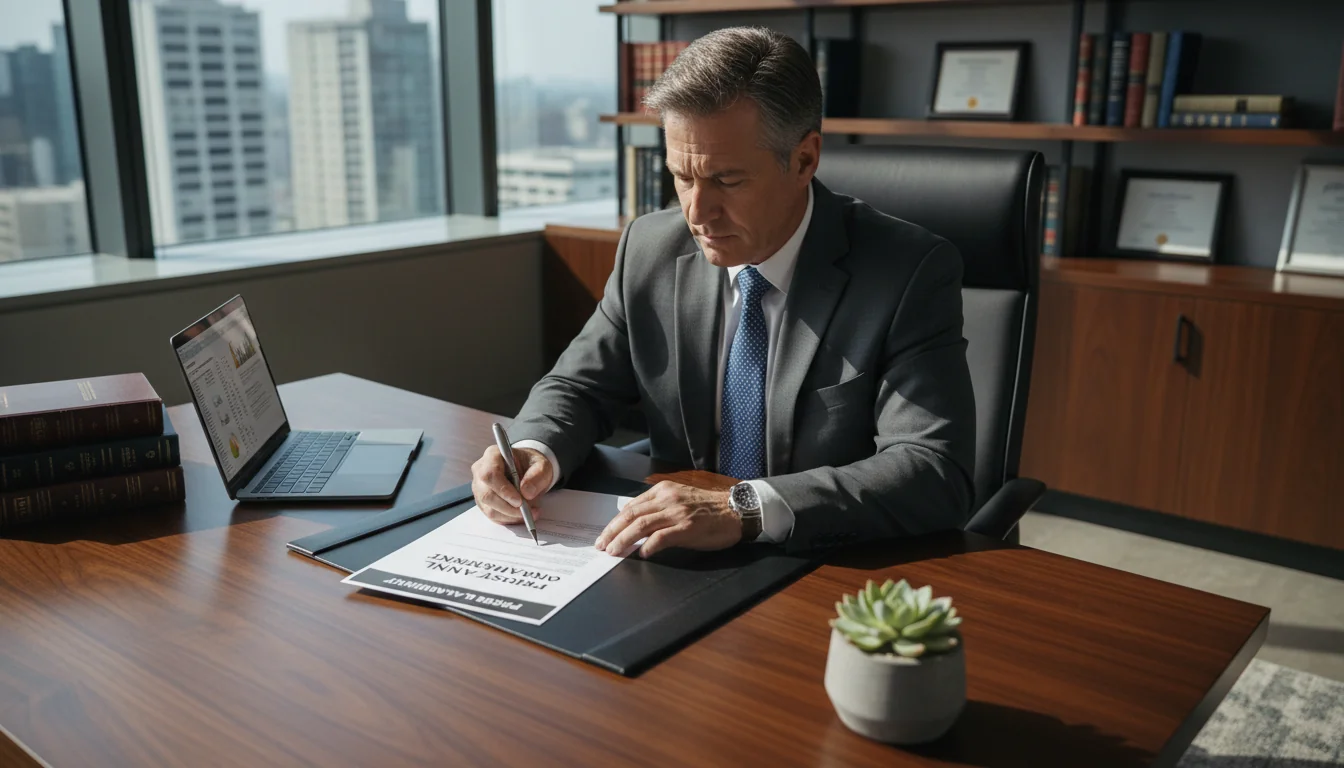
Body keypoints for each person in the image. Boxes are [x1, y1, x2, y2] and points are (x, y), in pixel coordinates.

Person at [471, 26, 975, 557]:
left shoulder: (908, 271)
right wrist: (533, 450)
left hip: (822, 559)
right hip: (670, 554)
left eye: (726, 181)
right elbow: (579, 386)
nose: (696, 213)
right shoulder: (649, 248)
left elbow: (933, 468)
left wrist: (746, 507)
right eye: (681, 177)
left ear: (804, 160)